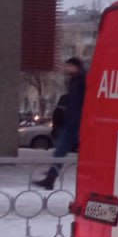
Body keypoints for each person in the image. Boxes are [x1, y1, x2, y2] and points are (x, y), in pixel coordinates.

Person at [35, 57, 86, 191]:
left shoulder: (81, 80)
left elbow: (80, 103)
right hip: (72, 123)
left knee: (62, 151)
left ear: (76, 66)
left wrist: (75, 120)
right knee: (59, 151)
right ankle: (51, 177)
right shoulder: (74, 80)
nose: (66, 69)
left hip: (75, 124)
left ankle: (51, 178)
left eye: (68, 66)